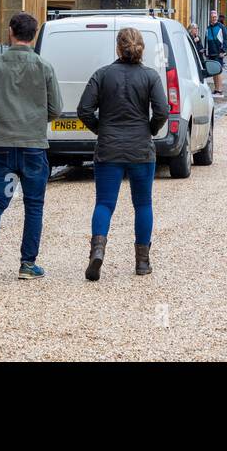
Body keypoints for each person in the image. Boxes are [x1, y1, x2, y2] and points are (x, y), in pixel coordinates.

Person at [0, 11, 62, 283]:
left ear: (11, 31)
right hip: (33, 147)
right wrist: (35, 119)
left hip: (1, 146)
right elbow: (55, 109)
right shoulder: (44, 67)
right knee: (33, 205)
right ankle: (27, 264)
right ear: (33, 35)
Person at [76, 27, 169, 280]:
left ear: (118, 48)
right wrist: (149, 129)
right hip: (141, 148)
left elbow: (84, 109)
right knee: (143, 204)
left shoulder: (102, 74)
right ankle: (142, 262)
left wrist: (101, 129)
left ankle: (97, 252)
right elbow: (162, 111)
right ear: (142, 49)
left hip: (109, 148)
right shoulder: (150, 77)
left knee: (104, 203)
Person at [204, 10, 227, 94]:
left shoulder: (221, 27)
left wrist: (223, 50)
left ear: (217, 17)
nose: (214, 18)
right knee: (214, 71)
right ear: (210, 18)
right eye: (212, 17)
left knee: (219, 71)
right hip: (211, 52)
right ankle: (216, 88)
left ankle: (220, 89)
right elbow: (206, 40)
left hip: (218, 52)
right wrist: (206, 51)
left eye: (215, 17)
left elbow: (225, 39)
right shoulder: (208, 28)